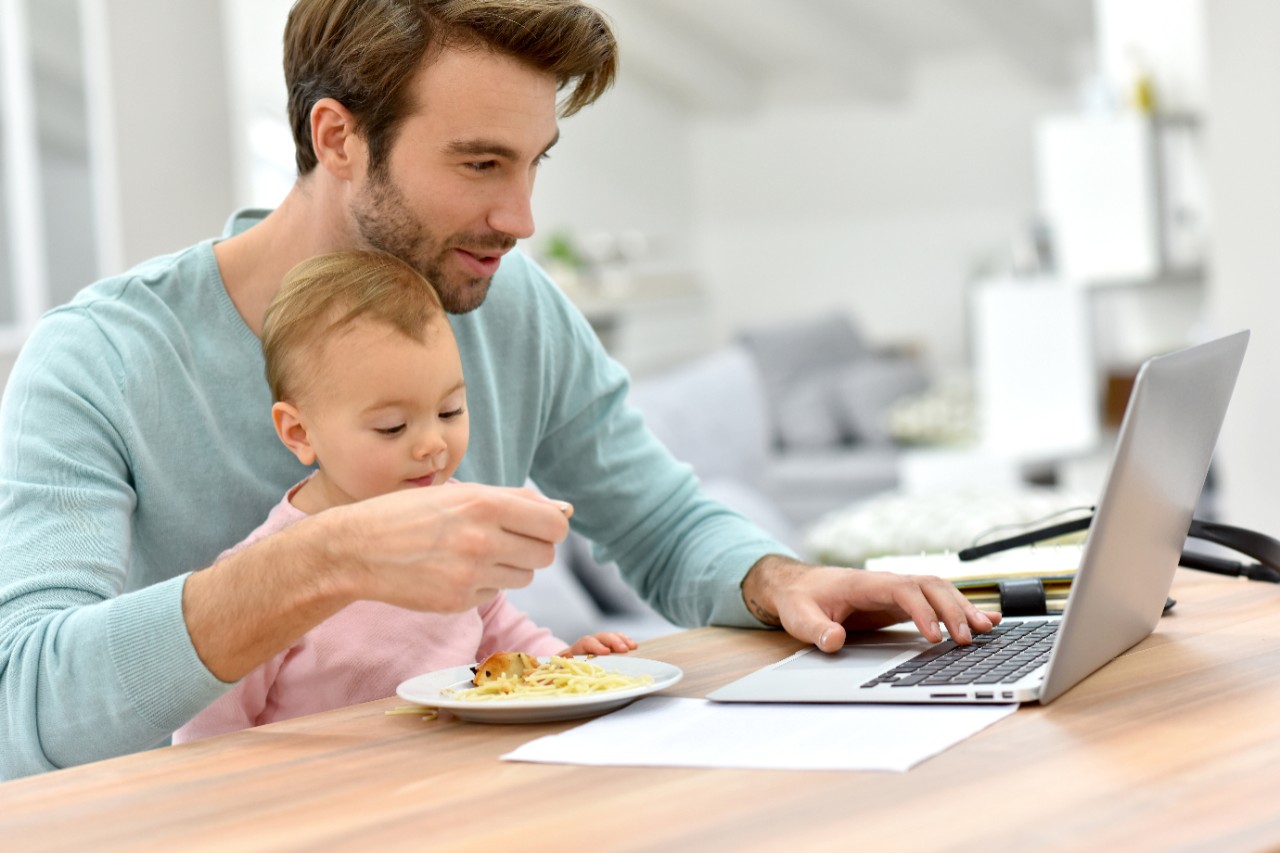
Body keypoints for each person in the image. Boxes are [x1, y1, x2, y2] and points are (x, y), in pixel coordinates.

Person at [0, 0, 996, 779]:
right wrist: (321, 560)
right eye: (479, 163)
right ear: (337, 137)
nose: (518, 218)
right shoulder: (101, 360)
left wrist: (778, 581)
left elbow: (655, 520)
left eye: (531, 163)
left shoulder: (507, 306)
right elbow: (28, 707)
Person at [172, 250, 636, 743]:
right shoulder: (271, 577)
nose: (433, 444)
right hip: (321, 799)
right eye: (392, 426)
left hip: (446, 782)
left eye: (451, 411)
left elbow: (494, 622)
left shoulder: (453, 515)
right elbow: (206, 731)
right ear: (299, 432)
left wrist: (559, 665)